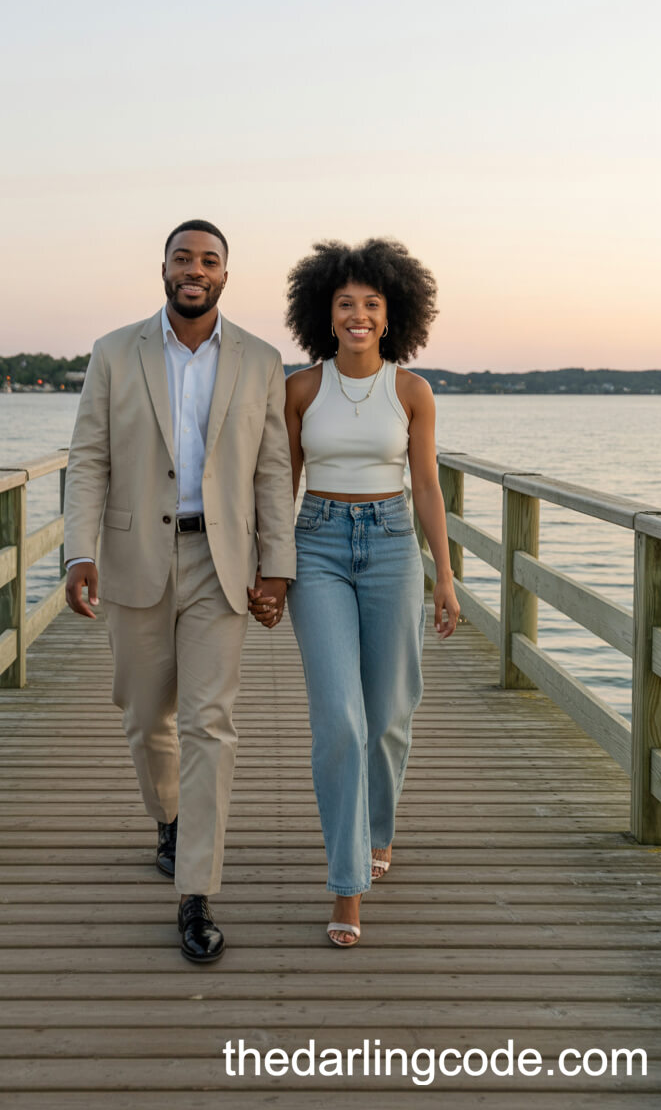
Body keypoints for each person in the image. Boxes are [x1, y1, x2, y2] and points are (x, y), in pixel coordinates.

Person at [63, 220, 295, 963]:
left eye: (210, 261)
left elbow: (271, 469)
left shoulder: (261, 359)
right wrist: (77, 552)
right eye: (183, 259)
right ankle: (166, 819)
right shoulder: (113, 352)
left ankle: (196, 890)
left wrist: (276, 566)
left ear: (226, 274)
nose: (195, 270)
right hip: (135, 556)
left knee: (209, 723)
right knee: (142, 713)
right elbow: (89, 458)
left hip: (219, 560)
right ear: (163, 268)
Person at [251, 237, 459, 947]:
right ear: (325, 313)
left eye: (372, 304)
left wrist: (446, 577)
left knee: (392, 712)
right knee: (341, 719)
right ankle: (347, 886)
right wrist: (271, 569)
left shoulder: (412, 391)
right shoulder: (301, 389)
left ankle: (376, 830)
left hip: (395, 546)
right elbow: (280, 485)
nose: (359, 315)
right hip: (319, 546)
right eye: (346, 304)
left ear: (392, 313)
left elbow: (427, 486)